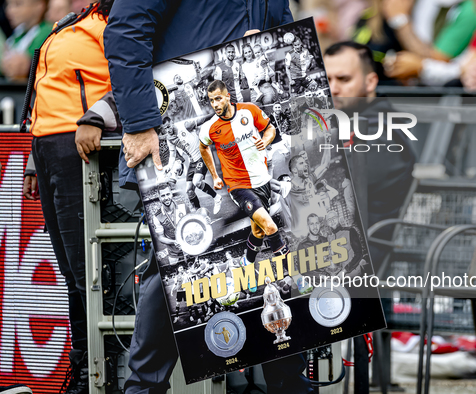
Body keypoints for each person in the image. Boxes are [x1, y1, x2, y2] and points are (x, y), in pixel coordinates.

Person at [102, 2, 312, 393]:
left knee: (276, 261)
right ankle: (142, 389)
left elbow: (285, 30)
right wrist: (141, 123)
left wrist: (272, 47)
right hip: (175, 142)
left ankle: (290, 385)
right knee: (176, 268)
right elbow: (125, 32)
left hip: (253, 154)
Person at [22, 2, 113, 393]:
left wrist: (98, 117)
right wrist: (32, 155)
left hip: (81, 148)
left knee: (88, 271)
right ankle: (86, 367)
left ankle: (103, 371)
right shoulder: (77, 19)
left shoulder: (113, 20)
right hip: (50, 148)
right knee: (73, 272)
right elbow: (49, 91)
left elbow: (130, 80)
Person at [323, 41, 416, 271]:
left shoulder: (384, 132)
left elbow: (348, 184)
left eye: (343, 79)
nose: (333, 88)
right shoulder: (340, 123)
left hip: (361, 264)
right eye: (328, 80)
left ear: (370, 81)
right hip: (333, 252)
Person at [199, 80, 290, 269]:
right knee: (270, 226)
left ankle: (246, 263)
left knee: (258, 232)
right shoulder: (209, 128)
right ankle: (294, 275)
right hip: (238, 186)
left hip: (261, 180)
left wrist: (265, 141)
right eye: (211, 101)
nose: (215, 104)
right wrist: (215, 175)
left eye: (218, 99)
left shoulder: (249, 110)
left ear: (227, 97)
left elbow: (270, 128)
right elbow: (203, 147)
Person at [162, 116, 223, 214]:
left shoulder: (185, 126)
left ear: (172, 122)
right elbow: (172, 154)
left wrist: (216, 114)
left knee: (197, 182)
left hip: (202, 156)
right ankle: (198, 214)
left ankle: (217, 198)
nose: (168, 130)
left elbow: (202, 120)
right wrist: (169, 166)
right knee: (189, 191)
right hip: (192, 161)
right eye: (165, 128)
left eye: (168, 127)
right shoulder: (169, 138)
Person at [2, 0, 51, 80]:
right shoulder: (17, 34)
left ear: (39, 6)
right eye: (8, 5)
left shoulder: (48, 33)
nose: (10, 10)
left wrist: (28, 66)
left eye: (18, 4)